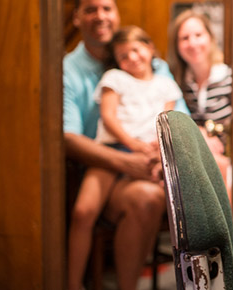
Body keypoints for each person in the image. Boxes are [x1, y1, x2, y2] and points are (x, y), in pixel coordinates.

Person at [63, 1, 189, 289]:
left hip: (146, 162)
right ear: (77, 18)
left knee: (151, 195)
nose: (101, 16)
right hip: (104, 161)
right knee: (84, 211)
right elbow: (69, 137)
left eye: (107, 8)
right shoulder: (73, 71)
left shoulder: (158, 72)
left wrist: (159, 154)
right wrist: (128, 154)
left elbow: (176, 120)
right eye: (91, 9)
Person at [168, 10, 232, 196]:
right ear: (177, 46)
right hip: (193, 161)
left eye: (198, 35)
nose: (193, 43)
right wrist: (200, 131)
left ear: (210, 38)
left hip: (229, 161)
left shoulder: (228, 77)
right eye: (185, 38)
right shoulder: (177, 83)